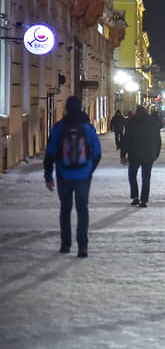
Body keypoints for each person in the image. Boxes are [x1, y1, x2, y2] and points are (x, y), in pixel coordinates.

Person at [44, 96, 102, 258]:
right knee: (82, 210)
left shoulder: (59, 127)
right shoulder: (87, 128)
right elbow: (97, 153)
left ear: (66, 109)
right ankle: (82, 246)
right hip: (83, 175)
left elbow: (49, 153)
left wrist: (48, 176)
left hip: (64, 174)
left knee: (65, 209)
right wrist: (89, 170)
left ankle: (65, 244)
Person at [120, 105, 162, 207]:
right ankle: (144, 200)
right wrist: (156, 153)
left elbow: (125, 140)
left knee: (132, 176)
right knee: (146, 177)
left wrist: (123, 155)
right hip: (148, 155)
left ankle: (135, 197)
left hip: (134, 154)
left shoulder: (132, 123)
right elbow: (158, 140)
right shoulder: (153, 123)